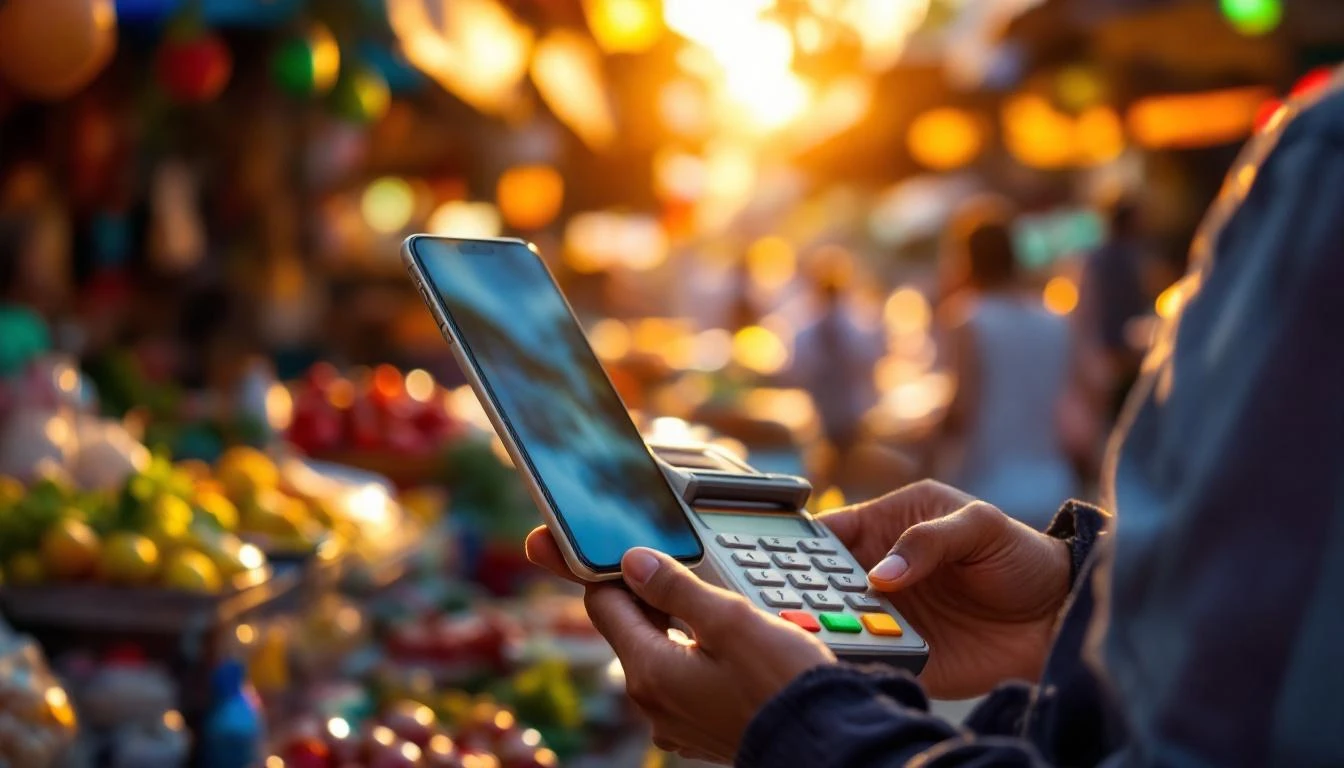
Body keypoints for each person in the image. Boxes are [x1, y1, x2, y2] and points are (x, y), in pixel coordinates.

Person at [524, 76, 1344, 766]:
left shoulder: (1321, 169)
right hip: (1041, 491)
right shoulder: (1054, 315)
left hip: (977, 481)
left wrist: (806, 734)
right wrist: (1071, 598)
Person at [931, 199, 1078, 529]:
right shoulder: (1055, 320)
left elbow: (962, 412)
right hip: (1054, 486)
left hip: (986, 491)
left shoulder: (967, 319)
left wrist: (925, 447)